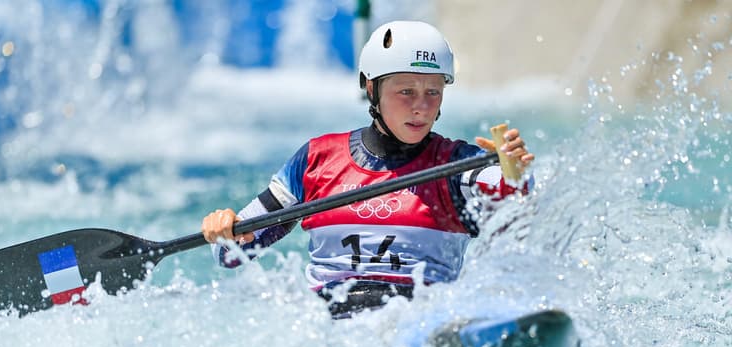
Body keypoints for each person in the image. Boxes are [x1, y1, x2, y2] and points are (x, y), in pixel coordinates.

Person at [201, 20, 534, 319]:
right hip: (327, 329)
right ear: (371, 88)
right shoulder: (316, 158)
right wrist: (225, 230)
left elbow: (517, 211)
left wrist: (514, 172)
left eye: (433, 92)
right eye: (406, 91)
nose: (421, 106)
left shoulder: (459, 163)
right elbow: (230, 255)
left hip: (420, 321)